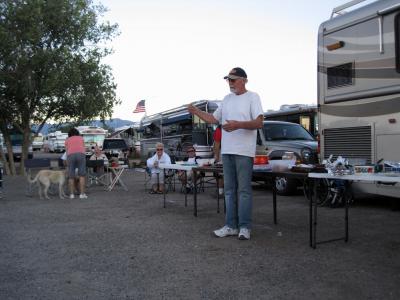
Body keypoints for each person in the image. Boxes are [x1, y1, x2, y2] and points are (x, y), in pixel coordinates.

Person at [188, 67, 263, 240]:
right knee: (229, 190)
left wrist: (238, 125)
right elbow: (214, 119)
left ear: (244, 80)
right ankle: (231, 225)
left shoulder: (253, 97)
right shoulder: (226, 99)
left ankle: (245, 227)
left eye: (233, 79)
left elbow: (259, 123)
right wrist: (196, 112)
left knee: (243, 190)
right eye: (228, 80)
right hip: (227, 151)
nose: (230, 83)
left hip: (244, 152)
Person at [64, 128, 88, 199]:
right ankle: (82, 194)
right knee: (81, 175)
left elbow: (66, 150)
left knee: (71, 176)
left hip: (70, 155)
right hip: (81, 154)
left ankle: (71, 194)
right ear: (77, 133)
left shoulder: (67, 140)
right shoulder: (81, 138)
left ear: (69, 134)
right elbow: (84, 147)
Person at [213, 125, 224, 197]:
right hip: (231, 152)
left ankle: (220, 192)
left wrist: (216, 156)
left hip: (222, 153)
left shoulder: (219, 128)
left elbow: (217, 143)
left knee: (219, 173)